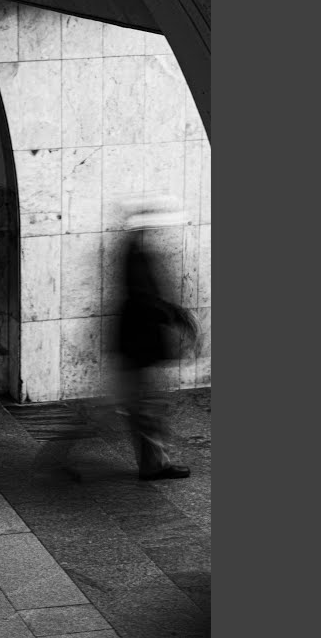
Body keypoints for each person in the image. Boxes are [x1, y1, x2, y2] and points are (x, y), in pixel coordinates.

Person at [114, 197, 200, 481]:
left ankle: (155, 462)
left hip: (135, 343)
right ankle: (154, 465)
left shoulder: (135, 250)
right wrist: (177, 315)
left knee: (143, 405)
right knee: (145, 406)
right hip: (138, 344)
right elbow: (143, 299)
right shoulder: (135, 254)